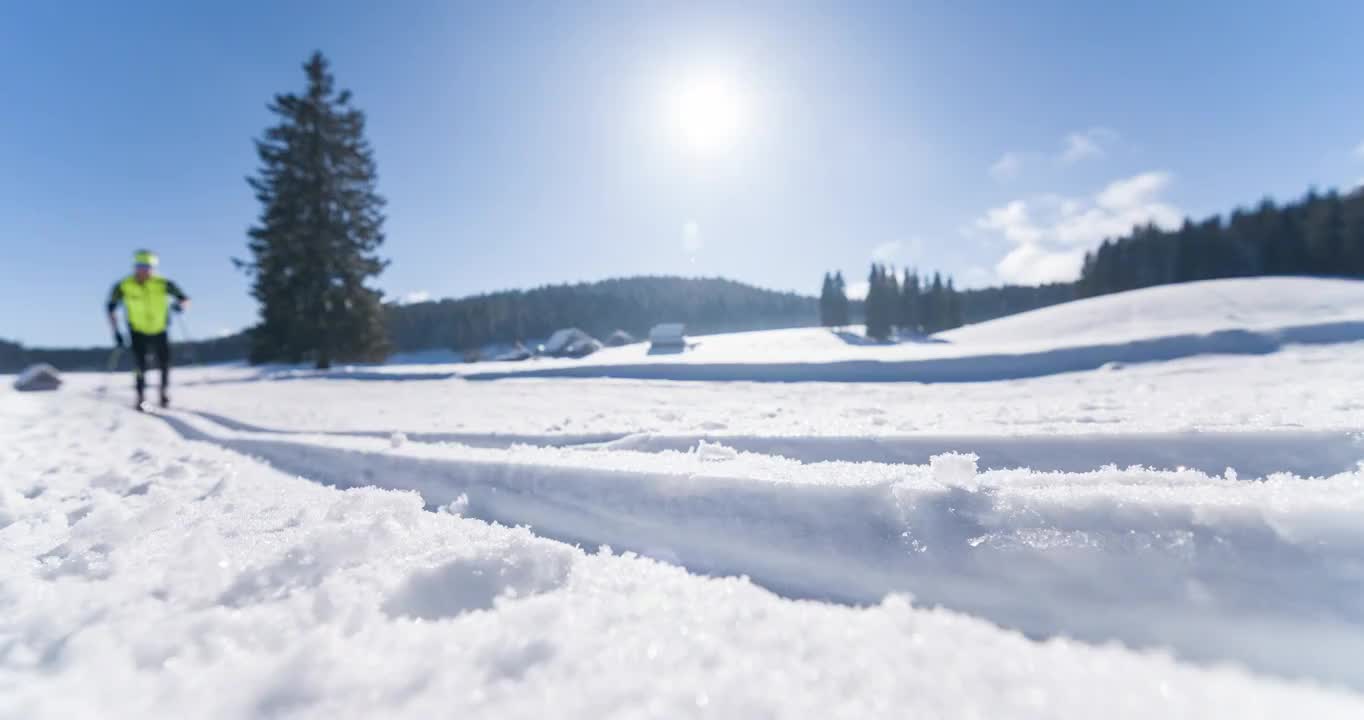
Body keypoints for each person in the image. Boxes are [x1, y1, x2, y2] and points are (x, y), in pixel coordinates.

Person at [107, 249, 190, 410]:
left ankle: (164, 393)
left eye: (148, 266)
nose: (144, 269)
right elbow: (110, 308)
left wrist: (181, 306)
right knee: (140, 365)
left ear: (153, 267)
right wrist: (116, 332)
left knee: (164, 362)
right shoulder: (123, 286)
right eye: (141, 265)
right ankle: (140, 397)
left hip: (160, 329)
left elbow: (184, 298)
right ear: (135, 266)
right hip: (137, 331)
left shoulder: (164, 283)